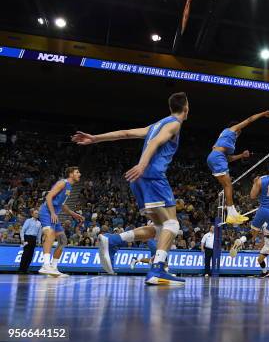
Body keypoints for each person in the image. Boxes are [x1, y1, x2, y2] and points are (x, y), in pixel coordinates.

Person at [72, 92, 189, 286]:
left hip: (140, 181)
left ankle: (114, 240)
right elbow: (154, 143)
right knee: (172, 225)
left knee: (159, 229)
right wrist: (143, 165)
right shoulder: (174, 124)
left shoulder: (156, 125)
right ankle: (158, 269)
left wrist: (95, 138)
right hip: (152, 177)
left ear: (170, 108)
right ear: (186, 108)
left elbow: (125, 133)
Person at [206, 110, 269, 225]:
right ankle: (231, 214)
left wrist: (242, 155)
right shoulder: (231, 129)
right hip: (217, 157)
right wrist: (263, 114)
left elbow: (229, 159)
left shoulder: (226, 139)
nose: (238, 134)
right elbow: (249, 120)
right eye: (239, 132)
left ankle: (232, 213)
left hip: (216, 158)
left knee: (227, 185)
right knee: (228, 185)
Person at [233, 159, 269, 281]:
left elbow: (252, 196)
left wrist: (255, 183)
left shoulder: (261, 180)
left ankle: (241, 240)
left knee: (253, 233)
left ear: (268, 169)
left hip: (262, 210)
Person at [38, 167, 85, 277]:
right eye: (77, 172)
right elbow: (49, 197)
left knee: (63, 240)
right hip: (46, 212)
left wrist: (74, 214)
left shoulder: (69, 187)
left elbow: (62, 204)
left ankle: (53, 269)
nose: (80, 174)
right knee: (50, 234)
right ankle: (45, 265)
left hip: (53, 213)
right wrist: (53, 213)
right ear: (70, 174)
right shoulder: (62, 183)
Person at [19, 209, 42, 274]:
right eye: (36, 213)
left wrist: (39, 241)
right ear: (32, 214)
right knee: (25, 254)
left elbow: (39, 233)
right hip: (27, 237)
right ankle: (21, 269)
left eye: (38, 213)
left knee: (31, 255)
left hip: (33, 239)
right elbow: (23, 230)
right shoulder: (28, 221)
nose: (37, 214)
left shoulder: (39, 223)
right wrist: (22, 239)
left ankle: (26, 269)